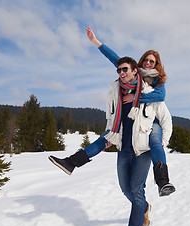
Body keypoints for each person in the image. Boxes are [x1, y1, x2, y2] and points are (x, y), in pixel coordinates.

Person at [48, 28, 175, 197]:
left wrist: (135, 99)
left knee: (156, 143)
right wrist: (95, 41)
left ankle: (163, 181)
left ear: (156, 64)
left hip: (151, 121)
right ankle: (71, 163)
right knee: (106, 136)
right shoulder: (131, 70)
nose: (147, 63)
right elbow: (114, 57)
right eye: (145, 59)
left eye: (152, 61)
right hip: (130, 122)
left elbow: (161, 96)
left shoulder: (157, 80)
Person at [108, 56, 172, 226]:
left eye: (125, 70)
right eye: (119, 71)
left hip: (144, 149)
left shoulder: (151, 92)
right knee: (125, 188)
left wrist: (163, 140)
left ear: (135, 72)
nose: (122, 74)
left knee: (136, 189)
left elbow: (166, 118)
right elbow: (111, 119)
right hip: (124, 147)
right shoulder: (119, 93)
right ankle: (144, 207)